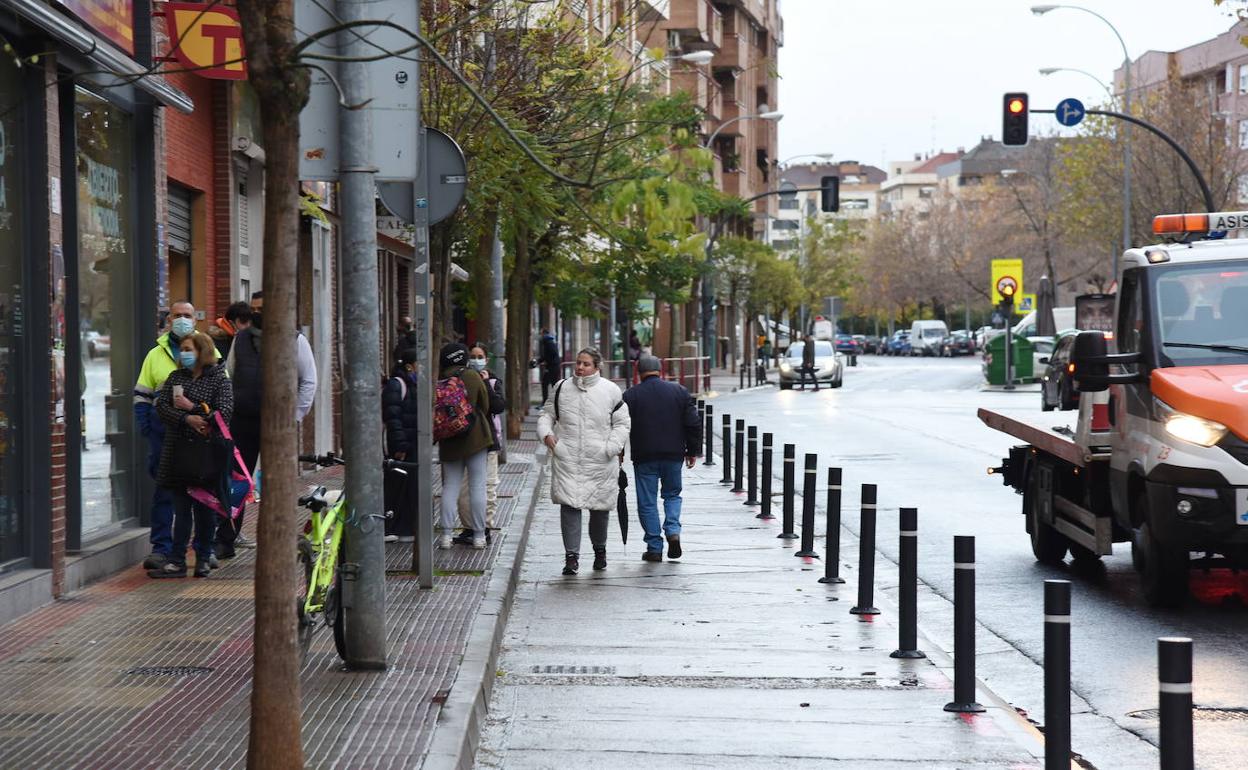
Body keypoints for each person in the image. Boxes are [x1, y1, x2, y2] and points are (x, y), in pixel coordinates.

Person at [221, 290, 318, 556]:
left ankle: (280, 538)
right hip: (242, 421)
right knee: (237, 480)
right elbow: (228, 376)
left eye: (262, 308)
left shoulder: (295, 340)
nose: (256, 313)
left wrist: (294, 417)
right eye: (253, 309)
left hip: (278, 425)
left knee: (277, 483)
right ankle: (226, 538)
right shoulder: (239, 339)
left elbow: (309, 381)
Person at [134, 300, 215, 571]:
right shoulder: (155, 355)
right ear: (169, 320)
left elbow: (223, 397)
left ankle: (204, 550)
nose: (182, 319)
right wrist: (148, 427)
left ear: (195, 320)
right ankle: (162, 548)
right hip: (165, 437)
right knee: (165, 493)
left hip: (200, 440)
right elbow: (142, 395)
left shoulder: (209, 352)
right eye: (177, 315)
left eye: (187, 315)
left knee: (203, 497)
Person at [537, 347, 631, 575]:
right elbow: (546, 414)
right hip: (567, 457)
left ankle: (600, 551)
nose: (579, 367)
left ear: (597, 366)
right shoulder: (561, 387)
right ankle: (571, 557)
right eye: (578, 363)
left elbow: (622, 423)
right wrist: (548, 436)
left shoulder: (611, 390)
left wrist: (611, 448)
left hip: (600, 461)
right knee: (569, 506)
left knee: (599, 509)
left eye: (585, 364)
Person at [150, 331, 233, 578]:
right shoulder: (176, 377)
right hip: (179, 454)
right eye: (182, 350)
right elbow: (162, 407)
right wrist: (187, 419)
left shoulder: (219, 378)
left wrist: (194, 410)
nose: (183, 354)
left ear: (202, 351)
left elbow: (224, 413)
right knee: (182, 509)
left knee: (205, 510)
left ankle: (203, 557)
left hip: (206, 456)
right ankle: (177, 560)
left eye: (188, 349)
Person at [622, 355, 701, 562]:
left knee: (647, 502)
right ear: (661, 369)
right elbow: (693, 423)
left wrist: (619, 452)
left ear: (639, 372)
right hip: (673, 455)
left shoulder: (631, 395)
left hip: (644, 456)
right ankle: (673, 531)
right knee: (672, 495)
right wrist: (692, 451)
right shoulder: (679, 391)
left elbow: (620, 426)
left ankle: (654, 547)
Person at [437, 343, 493, 549]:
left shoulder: (440, 379)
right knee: (478, 486)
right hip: (476, 437)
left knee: (450, 487)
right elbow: (485, 405)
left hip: (449, 439)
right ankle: (479, 536)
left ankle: (446, 536)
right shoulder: (471, 376)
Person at [454, 344, 506, 545]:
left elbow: (498, 406)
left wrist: (485, 384)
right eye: (472, 356)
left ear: (486, 359)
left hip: (489, 441)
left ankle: (485, 526)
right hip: (466, 441)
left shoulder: (492, 381)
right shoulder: (461, 380)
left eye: (480, 356)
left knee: (488, 485)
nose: (476, 360)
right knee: (465, 489)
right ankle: (468, 527)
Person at [382, 348, 421, 542]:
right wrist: (400, 446)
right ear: (409, 366)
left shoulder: (416, 384)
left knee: (410, 486)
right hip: (401, 448)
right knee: (396, 486)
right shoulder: (397, 385)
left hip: (413, 445)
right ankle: (389, 527)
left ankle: (406, 528)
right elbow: (393, 417)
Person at [538, 328, 561, 405]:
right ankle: (555, 401)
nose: (540, 335)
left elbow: (550, 355)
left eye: (541, 334)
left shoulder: (548, 342)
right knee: (552, 384)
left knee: (546, 383)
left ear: (544, 334)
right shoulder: (549, 341)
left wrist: (546, 362)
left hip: (552, 367)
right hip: (553, 366)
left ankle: (548, 402)